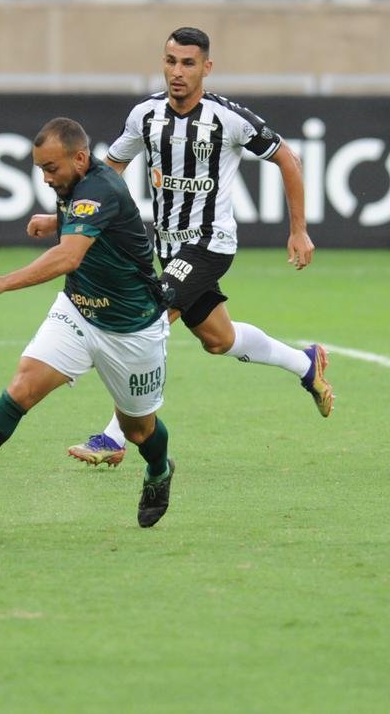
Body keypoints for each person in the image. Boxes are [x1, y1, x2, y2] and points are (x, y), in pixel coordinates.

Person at [65, 26, 333, 467]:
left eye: (188, 63)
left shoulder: (228, 119)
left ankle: (115, 436)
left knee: (152, 317)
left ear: (206, 68)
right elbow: (110, 168)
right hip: (167, 247)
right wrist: (72, 214)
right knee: (218, 339)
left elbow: (287, 157)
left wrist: (298, 230)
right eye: (171, 61)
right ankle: (306, 363)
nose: (177, 71)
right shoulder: (145, 116)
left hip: (210, 243)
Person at [0, 117, 175, 527]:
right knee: (21, 388)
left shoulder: (101, 186)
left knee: (140, 430)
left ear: (79, 158)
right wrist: (56, 220)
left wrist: (4, 282)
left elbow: (68, 257)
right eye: (39, 169)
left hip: (132, 327)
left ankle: (159, 471)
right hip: (77, 311)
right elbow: (84, 223)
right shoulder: (73, 185)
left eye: (51, 169)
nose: (46, 178)